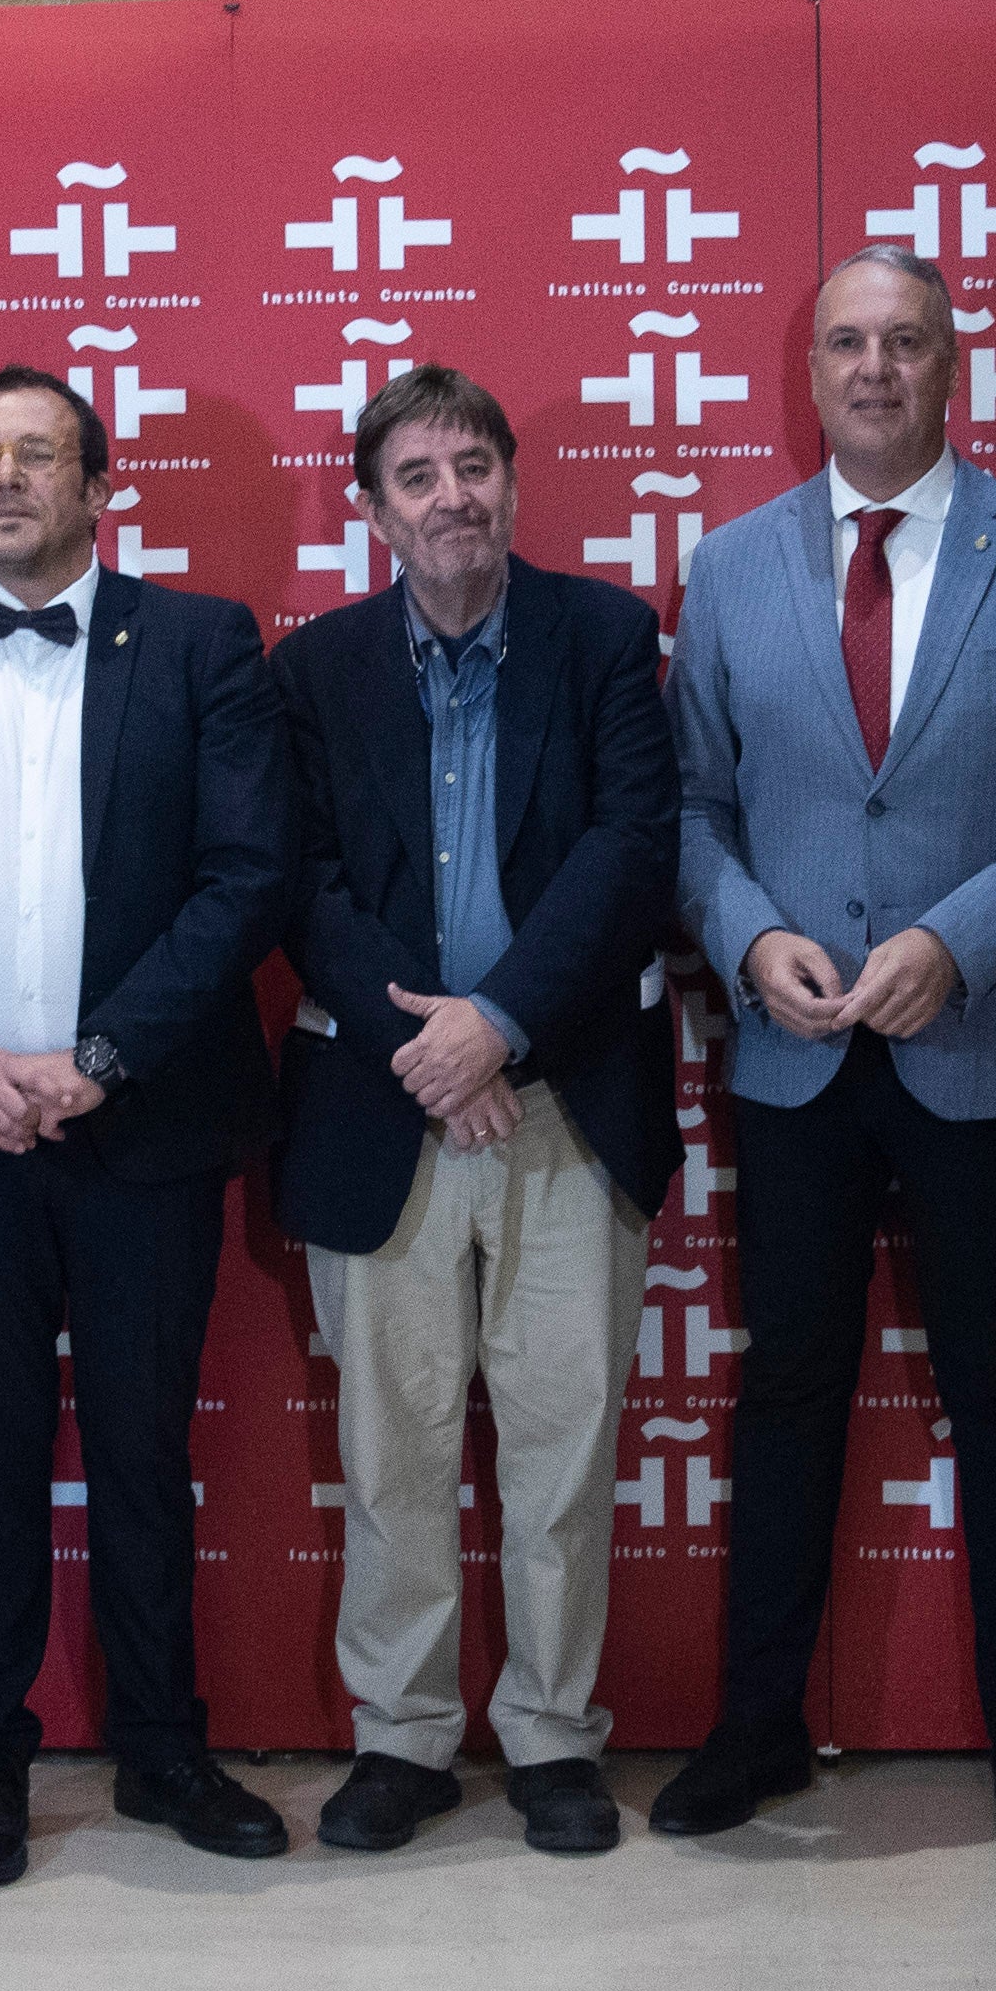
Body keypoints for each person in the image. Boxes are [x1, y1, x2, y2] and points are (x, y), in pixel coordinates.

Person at [659, 247, 996, 1862]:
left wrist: (960, 940)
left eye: (908, 343)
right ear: (808, 374)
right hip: (793, 1052)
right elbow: (689, 808)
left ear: (958, 368)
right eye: (848, 345)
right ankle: (756, 1729)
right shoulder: (729, 567)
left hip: (982, 1044)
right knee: (791, 1388)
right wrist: (745, 935)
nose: (876, 369)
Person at [0, 366, 291, 1886]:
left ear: (100, 487)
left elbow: (247, 878)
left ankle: (164, 1750)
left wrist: (102, 1054)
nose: (4, 479)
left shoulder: (197, 642)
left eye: (37, 453)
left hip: (144, 1126)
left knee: (138, 1451)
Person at [271, 364, 682, 1861]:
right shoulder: (313, 672)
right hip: (386, 1109)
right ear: (374, 508)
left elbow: (633, 854)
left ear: (513, 478)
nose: (453, 497)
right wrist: (434, 1049)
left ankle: (557, 1738)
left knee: (563, 1445)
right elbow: (297, 882)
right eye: (418, 475)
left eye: (474, 466)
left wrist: (498, 1027)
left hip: (567, 1096)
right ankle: (405, 1739)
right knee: (391, 1451)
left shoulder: (603, 637)